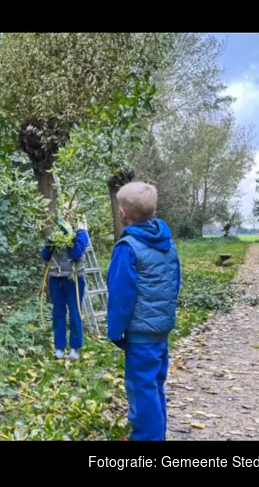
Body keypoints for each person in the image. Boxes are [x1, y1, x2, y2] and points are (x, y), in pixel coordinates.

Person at [106, 181, 181, 441]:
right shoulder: (167, 244)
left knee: (141, 387)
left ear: (123, 214)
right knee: (154, 385)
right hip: (160, 330)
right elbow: (175, 281)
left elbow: (120, 295)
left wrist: (115, 332)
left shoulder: (127, 248)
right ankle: (155, 434)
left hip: (140, 334)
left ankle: (145, 438)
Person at [41, 215, 90, 360]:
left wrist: (70, 237)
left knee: (75, 313)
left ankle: (75, 348)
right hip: (56, 278)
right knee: (58, 313)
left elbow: (76, 254)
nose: (66, 217)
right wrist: (50, 243)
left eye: (69, 215)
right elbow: (45, 255)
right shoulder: (56, 234)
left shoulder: (81, 234)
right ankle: (59, 347)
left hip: (73, 279)